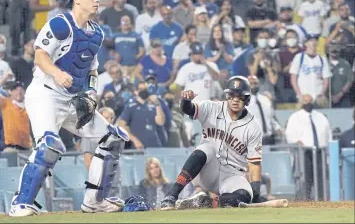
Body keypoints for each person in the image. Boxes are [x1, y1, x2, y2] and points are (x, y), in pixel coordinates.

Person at [9, 0, 128, 217]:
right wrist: (57, 73)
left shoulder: (97, 33)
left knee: (113, 138)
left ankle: (95, 201)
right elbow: (40, 56)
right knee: (49, 145)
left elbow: (93, 70)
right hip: (45, 93)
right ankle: (20, 203)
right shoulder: (60, 24)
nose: (97, 0)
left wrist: (92, 94)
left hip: (74, 100)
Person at [160, 76, 263, 210]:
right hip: (205, 170)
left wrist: (255, 195)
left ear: (247, 98)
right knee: (207, 148)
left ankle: (204, 202)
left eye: (240, 96)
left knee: (245, 194)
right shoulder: (212, 107)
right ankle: (171, 196)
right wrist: (185, 101)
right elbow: (189, 109)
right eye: (232, 95)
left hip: (232, 175)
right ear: (226, 95)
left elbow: (254, 164)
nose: (235, 99)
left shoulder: (253, 126)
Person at [285, 94, 332, 200]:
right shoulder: (295, 117)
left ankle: (321, 199)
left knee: (321, 178)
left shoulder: (321, 117)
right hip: (304, 153)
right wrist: (296, 141)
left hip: (320, 152)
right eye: (306, 102)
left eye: (310, 101)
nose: (308, 104)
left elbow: (328, 133)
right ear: (302, 103)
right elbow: (290, 134)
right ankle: (305, 200)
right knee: (306, 178)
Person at [118, 81, 166, 149]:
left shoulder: (154, 106)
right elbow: (121, 126)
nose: (143, 91)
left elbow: (161, 122)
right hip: (139, 147)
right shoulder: (131, 107)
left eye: (145, 89)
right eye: (140, 89)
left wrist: (157, 104)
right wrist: (135, 140)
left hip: (155, 145)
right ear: (136, 91)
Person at [290, 34, 331, 108]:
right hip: (304, 96)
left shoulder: (322, 59)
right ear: (306, 43)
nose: (314, 42)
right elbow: (293, 79)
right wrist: (299, 95)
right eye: (311, 40)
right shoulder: (299, 57)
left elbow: (326, 79)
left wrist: (322, 93)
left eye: (315, 40)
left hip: (318, 96)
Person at [247, 76, 283, 145]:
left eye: (255, 83)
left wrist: (278, 128)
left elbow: (270, 118)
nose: (253, 85)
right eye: (250, 83)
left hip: (269, 138)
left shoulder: (265, 99)